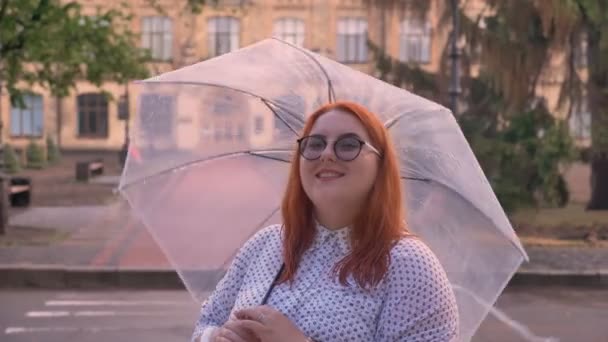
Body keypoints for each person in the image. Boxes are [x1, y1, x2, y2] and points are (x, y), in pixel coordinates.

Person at [191, 101, 459, 342]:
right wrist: (216, 338)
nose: (327, 154)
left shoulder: (408, 264)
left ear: (380, 166)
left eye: (348, 145)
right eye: (315, 144)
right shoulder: (265, 244)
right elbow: (206, 322)